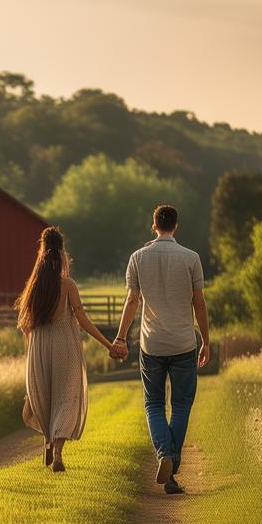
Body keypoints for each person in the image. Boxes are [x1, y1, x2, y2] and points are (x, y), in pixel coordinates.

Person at [111, 205, 210, 494]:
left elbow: (132, 301)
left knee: (154, 404)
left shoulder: (138, 258)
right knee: (180, 405)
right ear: (175, 226)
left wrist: (120, 337)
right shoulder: (191, 258)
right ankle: (172, 464)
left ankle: (164, 455)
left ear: (154, 225)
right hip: (183, 343)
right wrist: (206, 340)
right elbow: (199, 304)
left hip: (151, 344)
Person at [15, 227, 122, 472]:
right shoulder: (67, 285)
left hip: (39, 346)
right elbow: (82, 319)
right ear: (62, 252)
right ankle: (58, 453)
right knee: (65, 396)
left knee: (45, 394)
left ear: (41, 251)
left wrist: (33, 351)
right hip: (64, 344)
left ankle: (48, 442)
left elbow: (24, 325)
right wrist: (109, 345)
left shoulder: (33, 287)